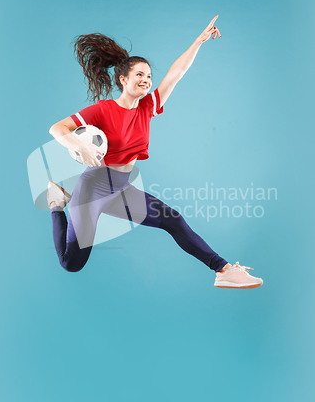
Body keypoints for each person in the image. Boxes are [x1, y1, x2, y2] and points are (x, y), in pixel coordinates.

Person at [47, 16, 263, 289]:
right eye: (139, 75)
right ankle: (57, 203)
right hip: (94, 189)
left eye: (149, 76)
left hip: (121, 189)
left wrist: (198, 41)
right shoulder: (103, 110)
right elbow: (57, 129)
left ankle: (224, 270)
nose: (146, 80)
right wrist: (80, 146)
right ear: (123, 79)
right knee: (71, 263)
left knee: (172, 220)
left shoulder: (147, 106)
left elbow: (176, 73)